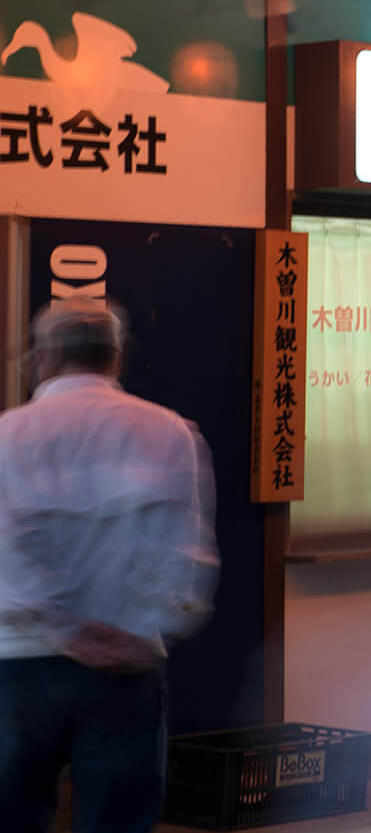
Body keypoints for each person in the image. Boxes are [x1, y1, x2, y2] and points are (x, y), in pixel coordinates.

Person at [0, 300, 217, 833]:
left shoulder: (8, 435)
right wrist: (145, 629)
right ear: (116, 358)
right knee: (117, 822)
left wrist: (63, 628)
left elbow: (8, 546)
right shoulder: (169, 432)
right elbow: (185, 553)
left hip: (19, 666)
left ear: (44, 357)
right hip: (127, 669)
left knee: (13, 817)